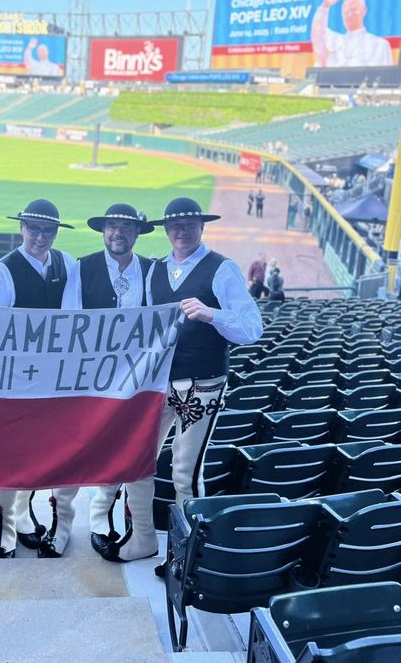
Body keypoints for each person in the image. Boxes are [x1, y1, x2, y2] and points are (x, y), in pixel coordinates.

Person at [143, 197, 262, 576]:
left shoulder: (221, 269)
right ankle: (143, 536)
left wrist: (212, 314)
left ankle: (186, 554)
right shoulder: (155, 270)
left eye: (190, 223)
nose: (182, 230)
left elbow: (252, 328)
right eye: (175, 224)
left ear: (201, 226)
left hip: (203, 382)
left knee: (185, 472)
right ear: (166, 229)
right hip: (159, 382)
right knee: (140, 459)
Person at [38, 203, 154, 560]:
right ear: (103, 231)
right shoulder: (81, 267)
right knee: (73, 448)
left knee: (119, 449)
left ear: (137, 233)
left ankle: (101, 517)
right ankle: (61, 525)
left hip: (132, 380)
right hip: (85, 377)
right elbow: (69, 321)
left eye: (126, 227)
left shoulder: (151, 271)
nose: (118, 232)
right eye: (112, 226)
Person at [0, 198, 76, 558]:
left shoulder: (68, 264)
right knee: (9, 454)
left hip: (51, 379)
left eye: (48, 230)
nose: (40, 236)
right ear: (22, 228)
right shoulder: (2, 272)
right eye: (33, 228)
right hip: (13, 379)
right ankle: (5, 529)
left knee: (39, 453)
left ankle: (23, 513)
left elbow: (75, 319)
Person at [311, 0, 393, 68]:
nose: (350, 14)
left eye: (354, 10)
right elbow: (317, 35)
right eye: (346, 12)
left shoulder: (379, 45)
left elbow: (387, 79)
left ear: (364, 10)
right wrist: (325, 6)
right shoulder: (335, 41)